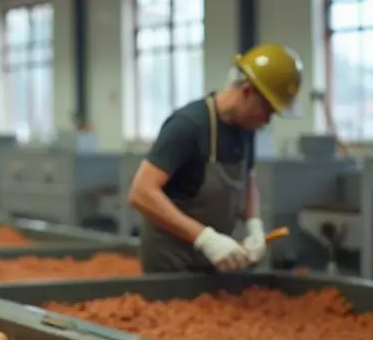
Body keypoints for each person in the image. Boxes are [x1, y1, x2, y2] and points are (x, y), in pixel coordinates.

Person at [126, 43, 303, 274]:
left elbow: (248, 180)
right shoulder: (187, 126)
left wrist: (254, 225)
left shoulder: (246, 129)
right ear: (247, 91)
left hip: (213, 266)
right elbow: (141, 193)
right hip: (170, 265)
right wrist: (206, 238)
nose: (268, 120)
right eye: (267, 110)